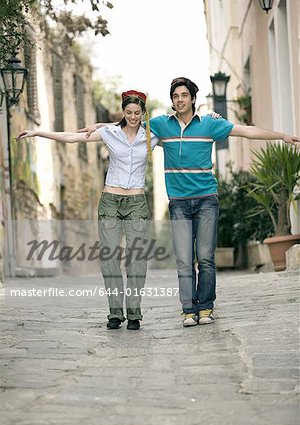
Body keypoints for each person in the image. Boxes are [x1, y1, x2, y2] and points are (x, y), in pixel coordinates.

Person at [80, 77, 300, 328]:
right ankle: (187, 309)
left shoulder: (209, 124)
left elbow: (245, 130)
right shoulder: (162, 125)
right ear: (172, 100)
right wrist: (99, 125)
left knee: (205, 258)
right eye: (175, 96)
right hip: (179, 203)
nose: (180, 100)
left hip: (207, 199)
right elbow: (130, 125)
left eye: (184, 95)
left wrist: (281, 135)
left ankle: (205, 307)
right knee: (184, 260)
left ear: (193, 98)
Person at [17, 90, 160, 331]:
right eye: (128, 112)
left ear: (143, 113)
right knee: (110, 259)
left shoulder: (152, 135)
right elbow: (73, 137)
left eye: (137, 113)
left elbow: (182, 132)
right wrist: (37, 132)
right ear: (123, 112)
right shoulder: (110, 133)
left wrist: (214, 119)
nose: (133, 117)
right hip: (110, 202)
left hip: (136, 203)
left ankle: (134, 313)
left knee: (136, 260)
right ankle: (115, 313)